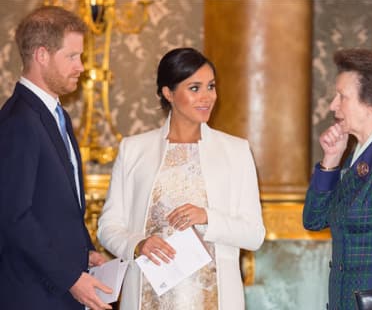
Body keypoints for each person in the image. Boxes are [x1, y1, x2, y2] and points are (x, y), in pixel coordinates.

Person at [97, 47, 265, 310]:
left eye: (210, 86)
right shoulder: (134, 149)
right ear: (168, 93)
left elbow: (254, 234)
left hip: (215, 299)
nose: (207, 97)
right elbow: (108, 226)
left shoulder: (236, 150)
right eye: (194, 88)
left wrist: (207, 216)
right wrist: (138, 244)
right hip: (146, 295)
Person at [0, 6, 113, 310]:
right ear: (41, 55)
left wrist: (84, 252)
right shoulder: (18, 121)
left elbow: (56, 208)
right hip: (33, 295)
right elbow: (13, 217)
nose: (82, 66)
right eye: (72, 56)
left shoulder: (56, 115)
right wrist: (71, 278)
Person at [303, 48, 372, 310]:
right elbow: (313, 220)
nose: (332, 105)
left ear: (371, 103)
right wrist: (330, 161)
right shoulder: (359, 157)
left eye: (342, 97)